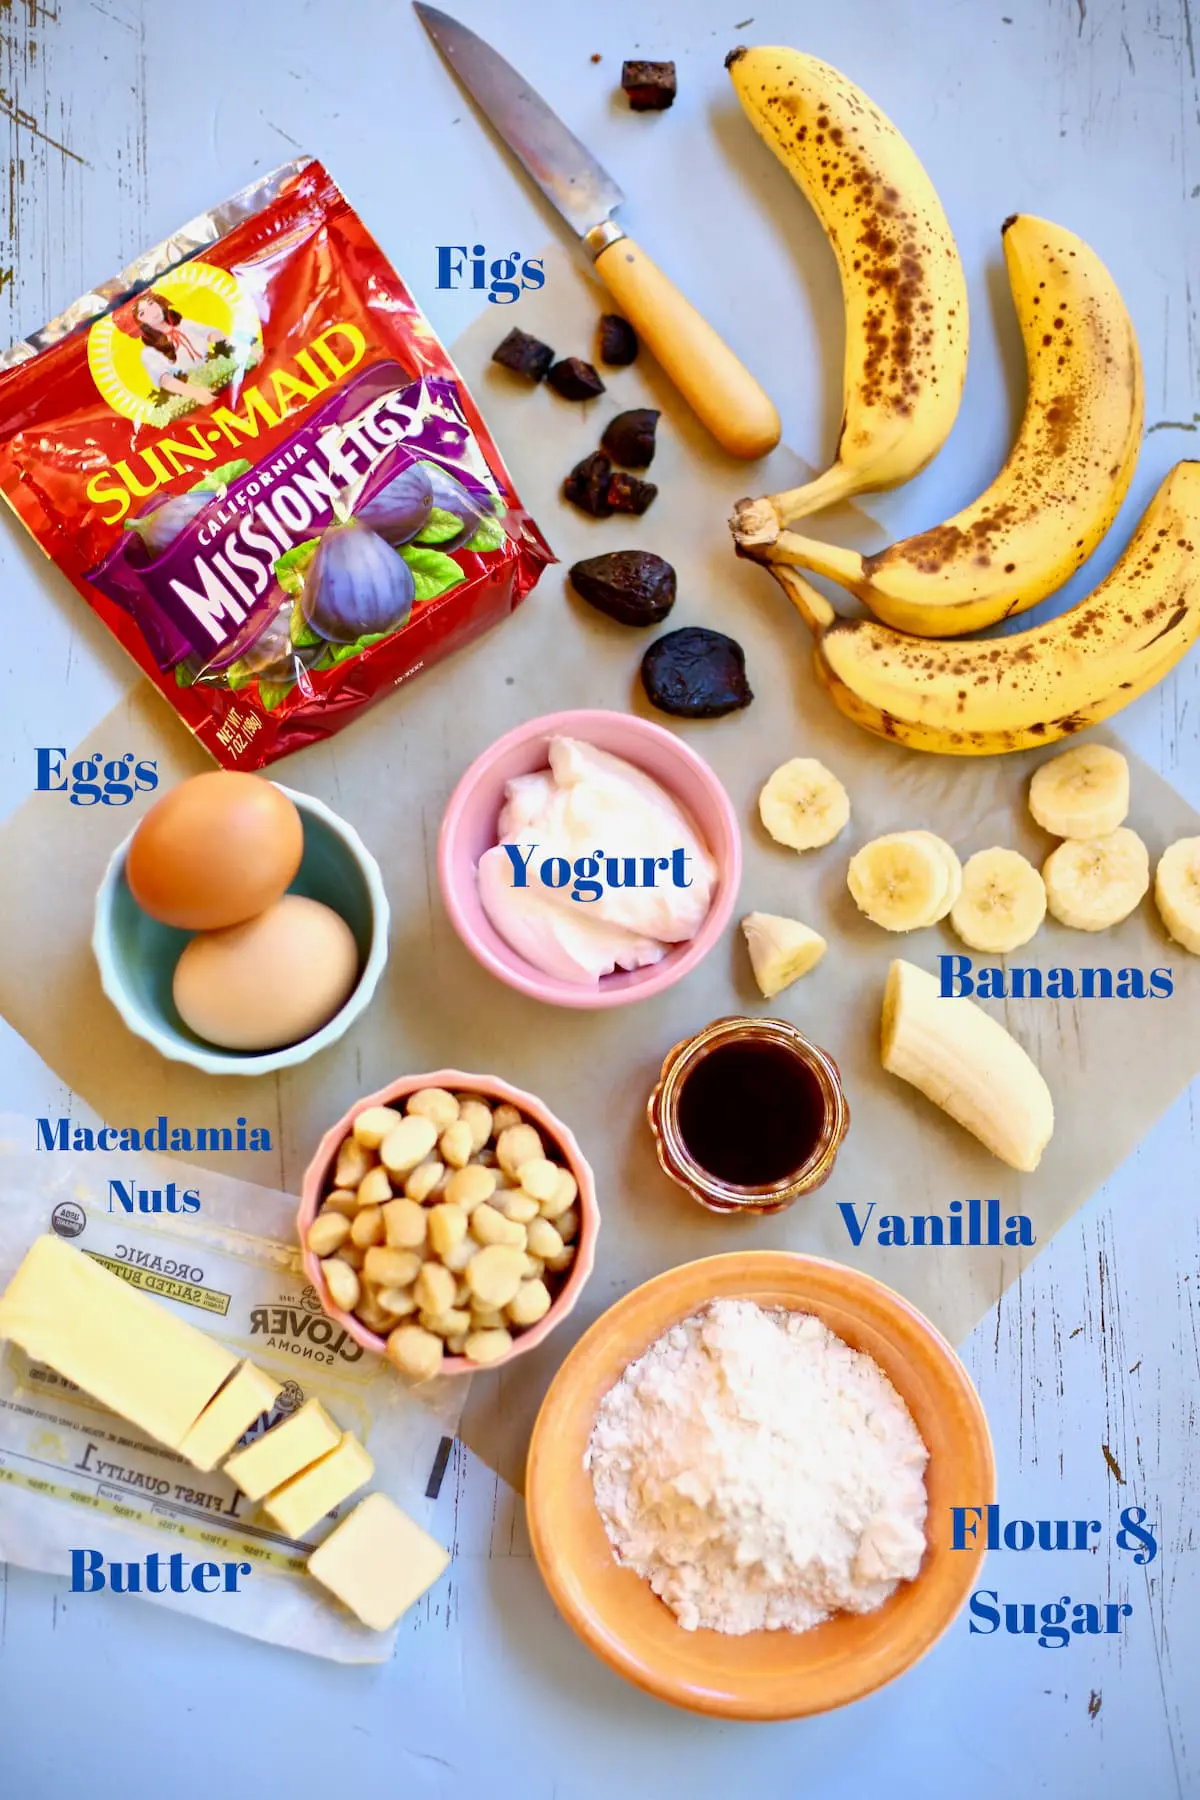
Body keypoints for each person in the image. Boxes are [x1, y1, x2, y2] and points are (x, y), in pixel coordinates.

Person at [117, 291, 230, 406]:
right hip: (195, 397)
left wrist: (233, 344)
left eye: (151, 303)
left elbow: (210, 334)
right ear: (139, 324)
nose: (152, 312)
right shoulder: (148, 353)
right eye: (142, 313)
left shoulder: (184, 325)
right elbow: (165, 380)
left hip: (220, 377)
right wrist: (195, 393)